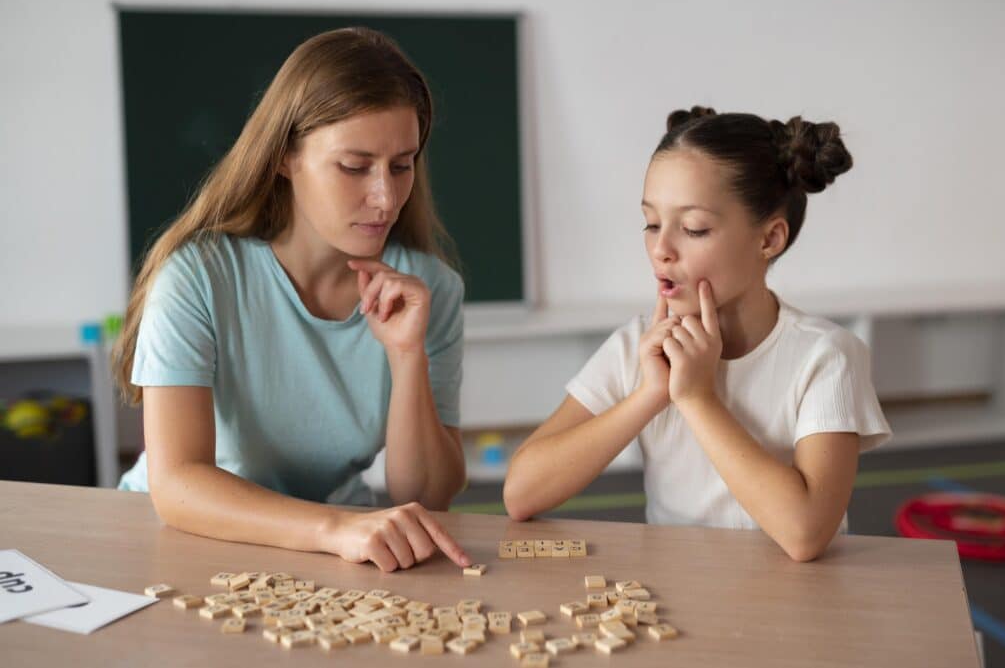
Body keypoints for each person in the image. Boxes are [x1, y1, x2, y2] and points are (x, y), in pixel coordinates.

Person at [113, 28, 471, 572]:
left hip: (326, 547)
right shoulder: (197, 277)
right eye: (354, 166)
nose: (386, 197)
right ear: (285, 157)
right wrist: (337, 529)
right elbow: (178, 483)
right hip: (182, 540)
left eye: (402, 165)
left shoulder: (429, 290)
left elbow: (427, 493)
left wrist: (407, 357)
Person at [503, 106, 891, 561]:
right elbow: (521, 493)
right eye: (651, 223)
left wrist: (696, 398)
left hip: (796, 610)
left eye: (693, 228)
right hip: (679, 602)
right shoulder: (638, 346)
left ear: (769, 239)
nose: (661, 250)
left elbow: (804, 533)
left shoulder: (826, 357)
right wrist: (650, 394)